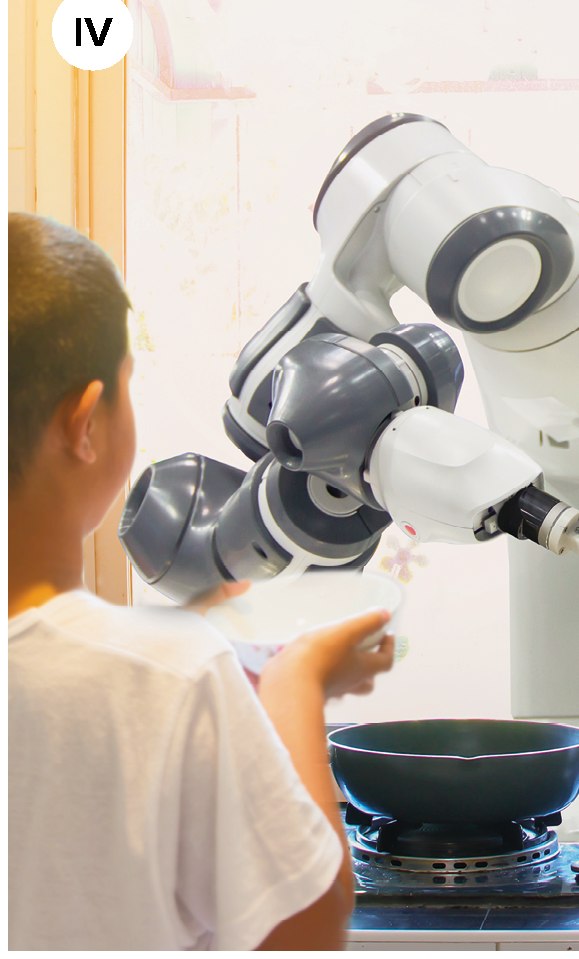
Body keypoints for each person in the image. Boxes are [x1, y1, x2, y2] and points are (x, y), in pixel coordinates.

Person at [8, 212, 395, 950]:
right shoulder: (166, 677)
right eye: (127, 383)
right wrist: (297, 681)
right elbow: (306, 926)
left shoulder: (158, 670)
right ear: (85, 422)